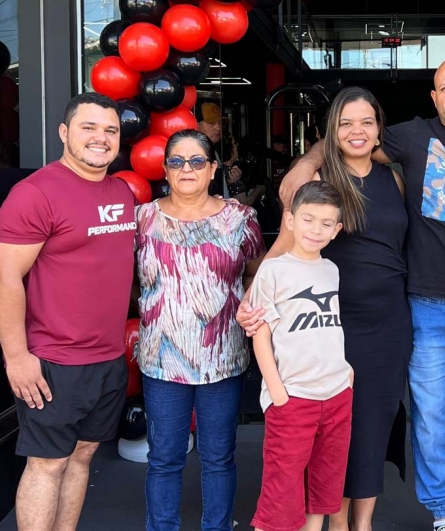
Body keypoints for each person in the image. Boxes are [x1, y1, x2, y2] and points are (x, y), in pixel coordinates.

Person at [273, 57, 445, 531]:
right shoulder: (413, 137)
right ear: (434, 97)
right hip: (422, 306)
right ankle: (444, 511)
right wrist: (305, 163)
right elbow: (347, 141)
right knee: (430, 420)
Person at [243, 86, 410, 531]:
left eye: (366, 122)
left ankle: (363, 524)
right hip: (331, 325)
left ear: (379, 129)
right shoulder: (319, 184)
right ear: (330, 131)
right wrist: (252, 297)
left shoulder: (393, 178)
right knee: (338, 436)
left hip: (390, 324)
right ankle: (336, 525)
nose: (356, 131)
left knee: (374, 427)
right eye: (345, 123)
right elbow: (284, 244)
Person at [0, 92, 134, 531]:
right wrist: (16, 357)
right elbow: (6, 279)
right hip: (55, 361)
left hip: (109, 359)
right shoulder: (35, 193)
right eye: (89, 128)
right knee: (47, 464)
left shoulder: (122, 192)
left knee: (82, 456)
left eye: (110, 130)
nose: (101, 138)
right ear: (64, 133)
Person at [134, 129, 265, 531]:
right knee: (164, 458)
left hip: (221, 359)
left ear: (212, 170)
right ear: (165, 170)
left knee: (218, 457)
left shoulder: (241, 219)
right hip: (160, 361)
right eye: (176, 161)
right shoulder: (143, 218)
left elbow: (255, 275)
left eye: (196, 161)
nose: (186, 168)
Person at [248, 180, 354, 531]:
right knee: (282, 486)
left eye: (326, 223)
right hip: (293, 396)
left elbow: (329, 325)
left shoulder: (331, 270)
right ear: (290, 220)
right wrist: (277, 390)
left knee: (324, 484)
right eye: (308, 219)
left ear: (337, 229)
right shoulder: (274, 270)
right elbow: (260, 332)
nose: (316, 230)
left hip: (337, 393)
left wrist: (347, 370)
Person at [196, 102, 243, 198]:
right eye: (211, 123)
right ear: (196, 125)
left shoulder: (214, 152)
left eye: (220, 123)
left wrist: (228, 183)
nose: (218, 128)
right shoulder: (194, 154)